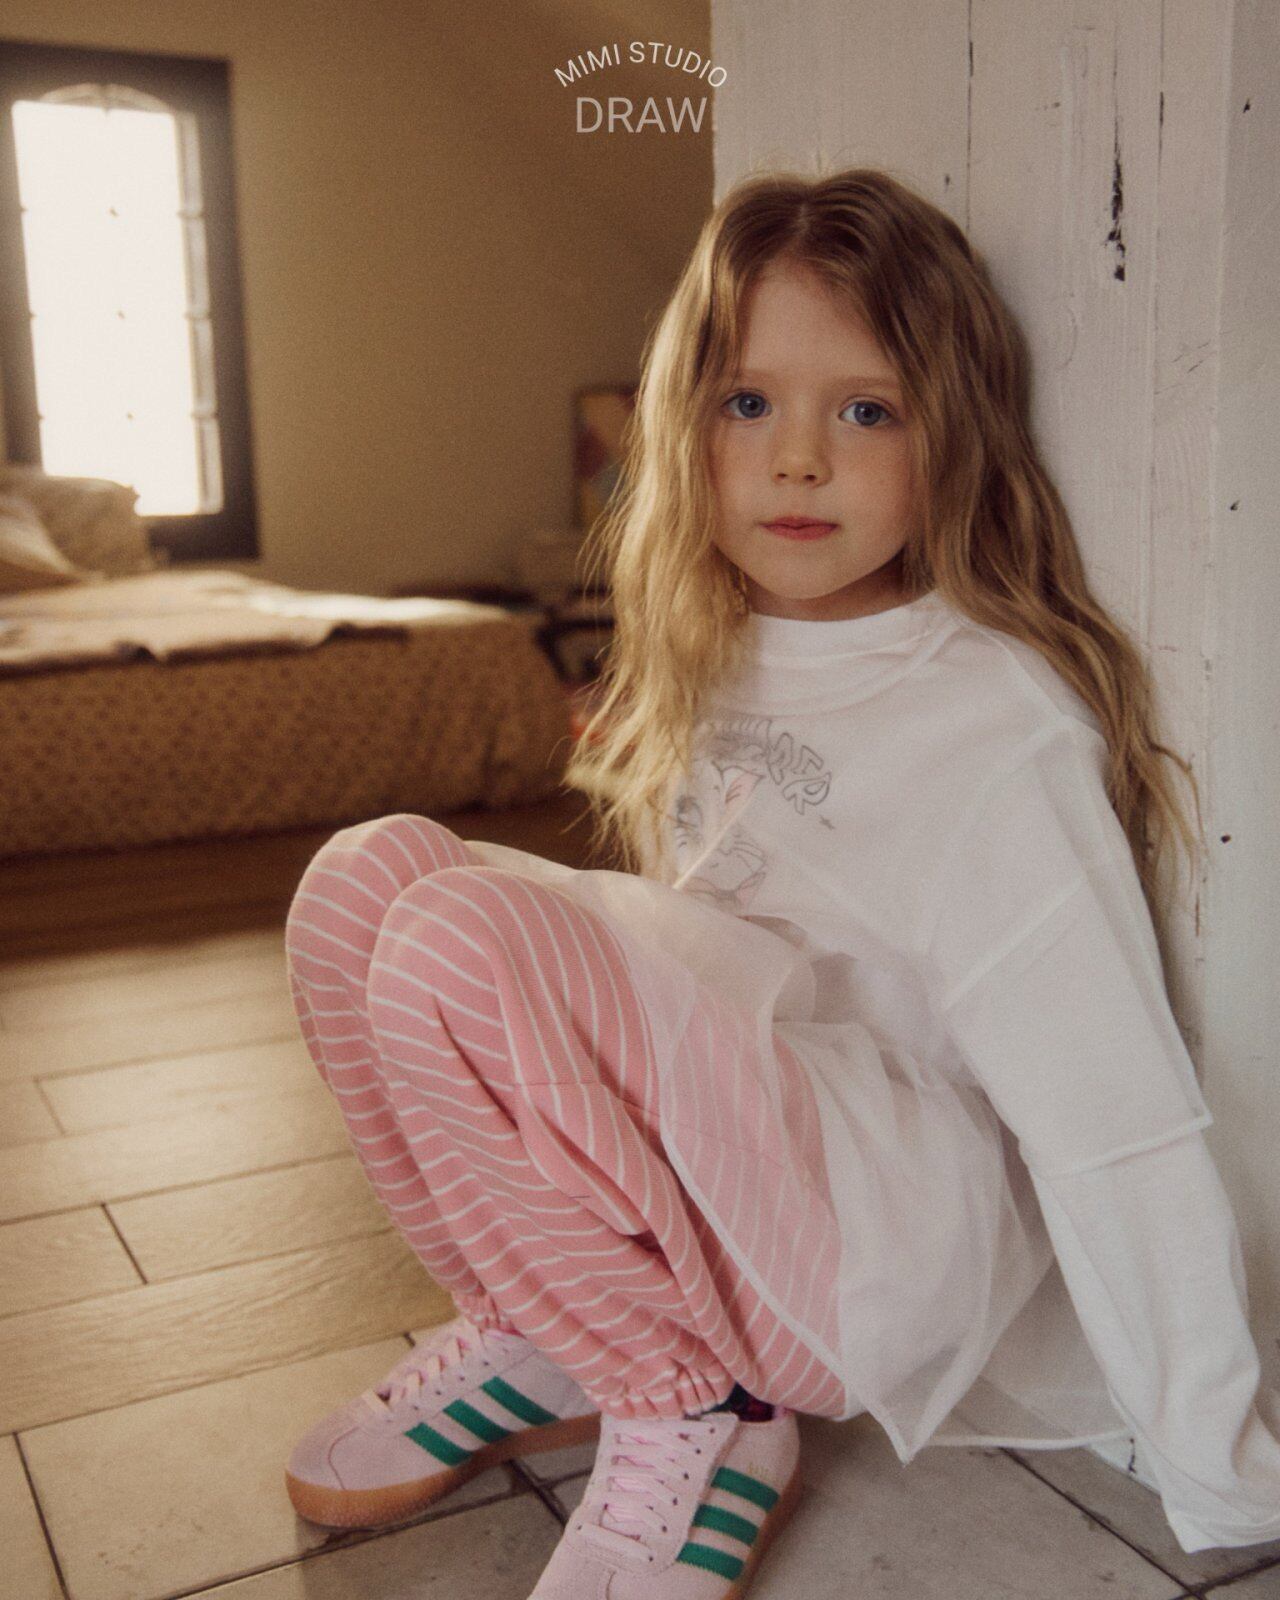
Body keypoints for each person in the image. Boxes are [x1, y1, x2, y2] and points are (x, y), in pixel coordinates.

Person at [281, 167, 1280, 1594]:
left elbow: (1111, 1115)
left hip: (869, 1261)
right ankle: (544, 1324)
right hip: (733, 1192)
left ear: (955, 437)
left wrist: (1216, 1460)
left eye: (867, 411)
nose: (798, 458)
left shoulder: (987, 719)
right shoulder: (720, 644)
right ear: (685, 428)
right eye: (748, 402)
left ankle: (697, 1411)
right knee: (359, 880)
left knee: (454, 937)